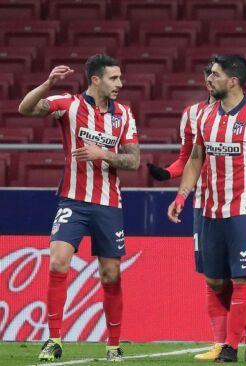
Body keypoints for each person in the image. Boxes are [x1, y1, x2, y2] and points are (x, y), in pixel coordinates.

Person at [167, 54, 246, 363]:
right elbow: (196, 157)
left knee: (241, 280)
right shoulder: (206, 116)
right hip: (210, 211)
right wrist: (182, 195)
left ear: (233, 81)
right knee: (214, 282)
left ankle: (229, 347)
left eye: (216, 75)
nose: (209, 80)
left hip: (244, 210)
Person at [18, 54, 140, 362]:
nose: (120, 84)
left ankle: (113, 346)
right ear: (96, 80)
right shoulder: (69, 104)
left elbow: (134, 160)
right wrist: (47, 83)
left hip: (109, 205)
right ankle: (54, 340)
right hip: (73, 200)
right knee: (58, 262)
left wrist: (103, 153)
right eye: (114, 78)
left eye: (121, 78)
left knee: (111, 274)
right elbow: (26, 108)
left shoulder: (124, 114)